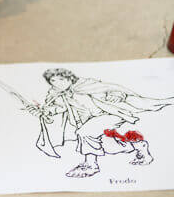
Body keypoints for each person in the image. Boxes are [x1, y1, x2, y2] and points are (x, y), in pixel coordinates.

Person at [27, 68, 174, 178]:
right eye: (53, 81)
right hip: (87, 122)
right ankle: (141, 148)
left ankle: (91, 165)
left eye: (61, 79)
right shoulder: (56, 94)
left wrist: (117, 95)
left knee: (85, 132)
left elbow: (111, 90)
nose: (58, 83)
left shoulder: (86, 85)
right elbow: (58, 108)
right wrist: (43, 112)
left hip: (108, 115)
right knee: (111, 146)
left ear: (69, 78)